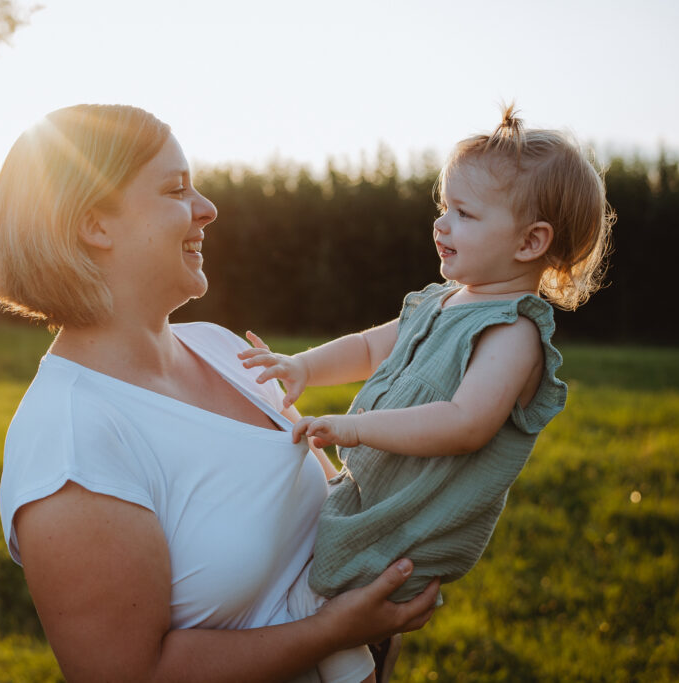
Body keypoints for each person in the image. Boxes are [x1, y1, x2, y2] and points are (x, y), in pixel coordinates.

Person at [0, 104, 439, 683]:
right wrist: (336, 632)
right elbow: (130, 675)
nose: (208, 209)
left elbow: (333, 508)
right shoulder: (70, 438)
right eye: (175, 189)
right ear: (95, 223)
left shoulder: (221, 348)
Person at [239, 105, 614, 680]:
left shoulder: (511, 332)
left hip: (408, 526)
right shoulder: (439, 300)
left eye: (463, 213)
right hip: (373, 498)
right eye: (444, 208)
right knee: (300, 586)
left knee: (314, 610)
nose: (441, 225)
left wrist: (355, 426)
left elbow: (466, 423)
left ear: (530, 241)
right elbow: (369, 348)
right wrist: (304, 367)